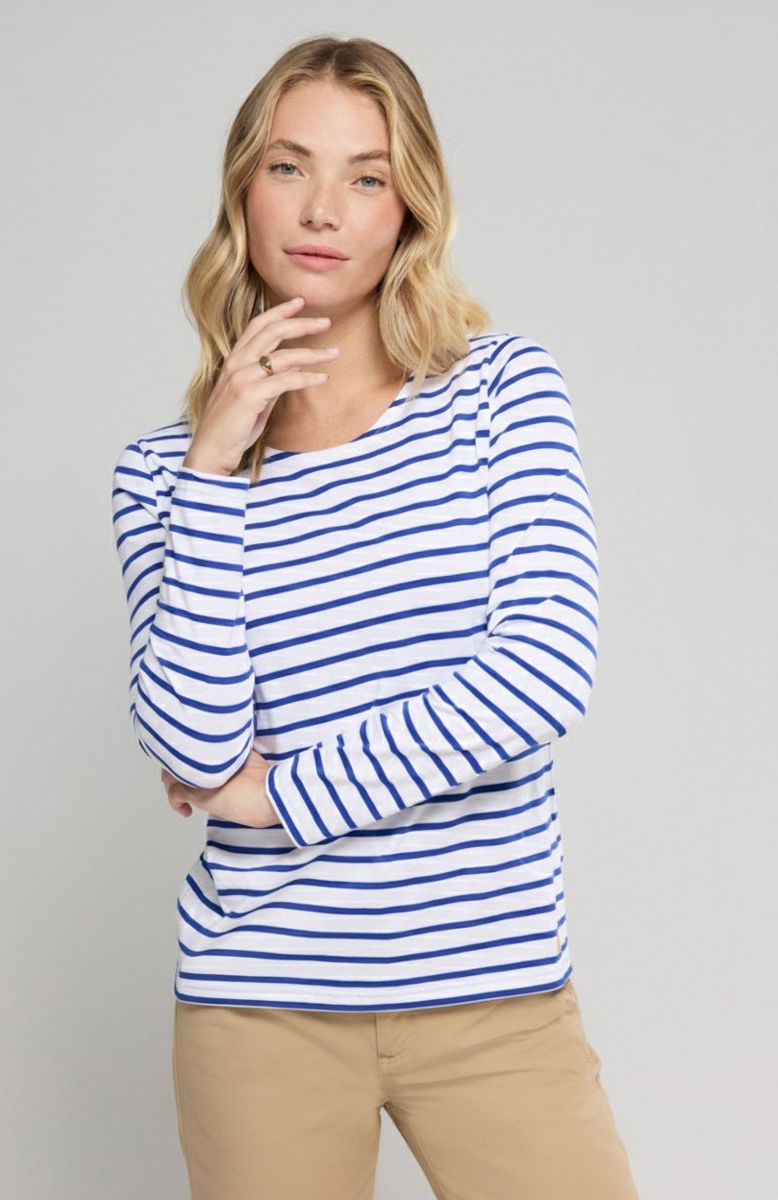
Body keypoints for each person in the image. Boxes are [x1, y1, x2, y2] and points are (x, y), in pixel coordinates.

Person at [111, 34, 639, 1200]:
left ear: (409, 209)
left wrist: (280, 797)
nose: (322, 210)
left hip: (494, 997)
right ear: (242, 188)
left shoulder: (499, 393)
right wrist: (213, 471)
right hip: (259, 1009)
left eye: (366, 177)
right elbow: (193, 747)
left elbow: (541, 673)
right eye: (288, 167)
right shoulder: (160, 476)